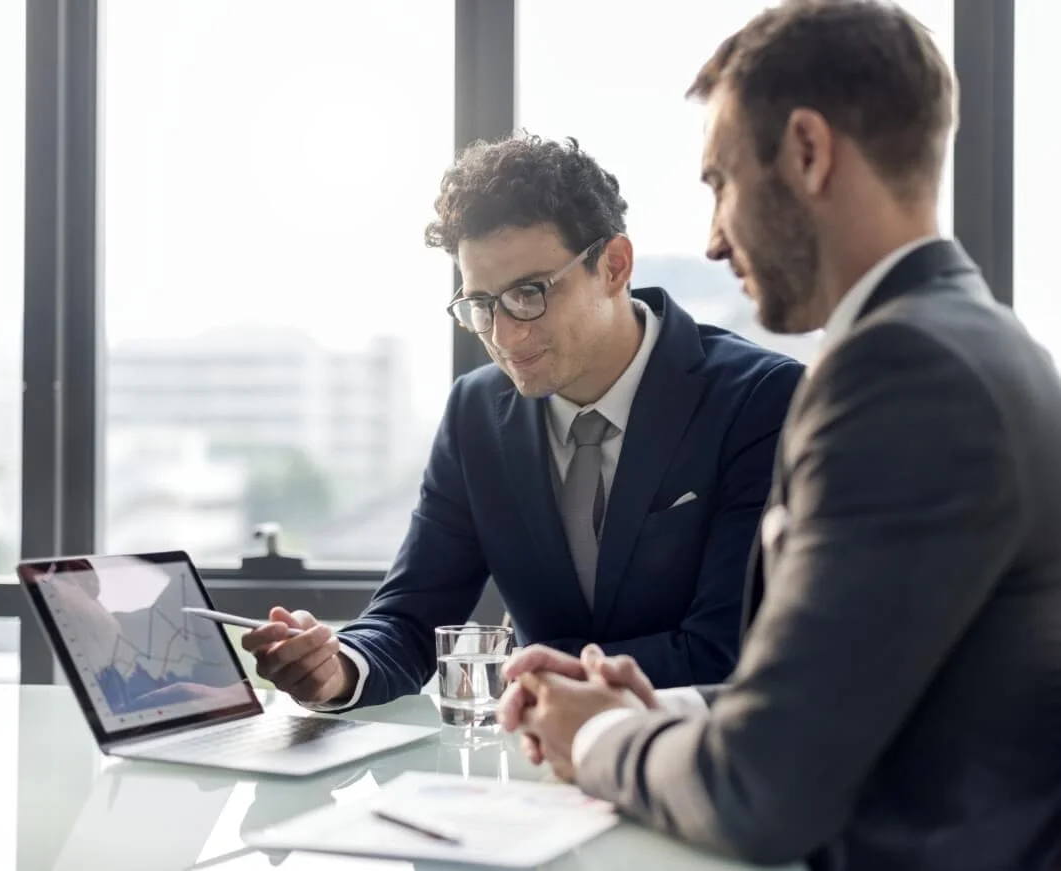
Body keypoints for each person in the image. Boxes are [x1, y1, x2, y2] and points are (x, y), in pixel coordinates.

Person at [497, 2, 1061, 869]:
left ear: (807, 151)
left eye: (720, 181)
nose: (714, 240)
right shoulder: (980, 342)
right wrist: (670, 713)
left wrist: (601, 736)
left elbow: (763, 792)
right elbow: (860, 686)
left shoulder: (904, 374)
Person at [240, 134, 803, 711]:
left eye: (529, 294)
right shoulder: (475, 413)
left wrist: (539, 680)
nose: (506, 336)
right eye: (481, 304)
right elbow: (410, 617)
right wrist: (338, 667)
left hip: (695, 762)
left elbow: (726, 651)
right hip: (533, 769)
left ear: (613, 266)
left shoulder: (760, 400)